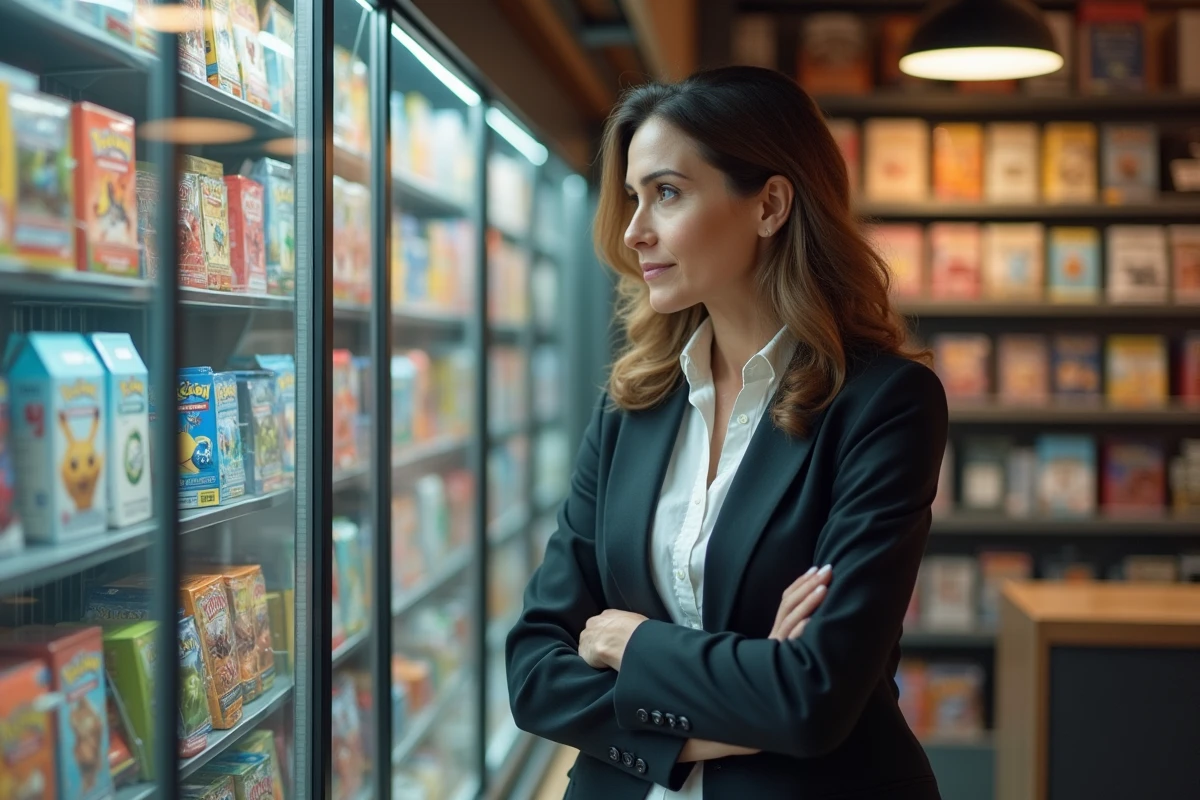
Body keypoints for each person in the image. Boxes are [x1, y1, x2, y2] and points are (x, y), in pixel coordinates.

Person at [505, 65, 948, 800]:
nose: (634, 230)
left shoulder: (885, 404)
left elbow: (813, 697)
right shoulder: (630, 405)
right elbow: (534, 671)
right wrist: (739, 704)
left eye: (667, 194)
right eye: (633, 197)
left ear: (770, 204)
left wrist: (632, 641)